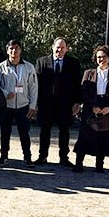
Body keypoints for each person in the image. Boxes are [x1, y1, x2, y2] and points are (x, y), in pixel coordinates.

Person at [74, 46, 109, 173]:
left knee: (104, 135)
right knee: (85, 135)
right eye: (99, 57)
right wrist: (92, 106)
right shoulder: (88, 73)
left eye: (104, 57)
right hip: (91, 106)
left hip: (107, 106)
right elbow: (83, 91)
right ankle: (78, 163)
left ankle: (99, 165)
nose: (101, 59)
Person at [34, 38, 81, 166]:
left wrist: (77, 103)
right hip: (46, 103)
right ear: (52, 47)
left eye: (62, 48)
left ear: (66, 49)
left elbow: (77, 85)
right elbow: (36, 84)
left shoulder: (73, 63)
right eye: (57, 47)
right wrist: (35, 102)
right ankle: (42, 156)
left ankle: (64, 158)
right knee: (44, 131)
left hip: (65, 104)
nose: (59, 50)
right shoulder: (41, 61)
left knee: (64, 131)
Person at [0, 40, 38, 167]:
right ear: (7, 51)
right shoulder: (0, 68)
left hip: (23, 106)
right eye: (11, 48)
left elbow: (34, 87)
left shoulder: (29, 67)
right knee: (5, 132)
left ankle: (27, 157)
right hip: (6, 106)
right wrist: (6, 93)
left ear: (21, 50)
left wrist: (33, 106)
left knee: (24, 133)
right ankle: (4, 156)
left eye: (16, 48)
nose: (14, 51)